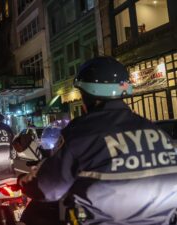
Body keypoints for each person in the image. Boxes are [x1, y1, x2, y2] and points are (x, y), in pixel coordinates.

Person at [19, 56, 177, 225]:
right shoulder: (157, 132)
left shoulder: (80, 133)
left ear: (86, 95)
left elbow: (48, 189)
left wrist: (24, 182)